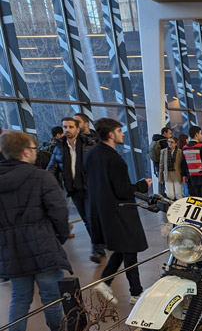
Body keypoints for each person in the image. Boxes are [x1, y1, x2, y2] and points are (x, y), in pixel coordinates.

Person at [0, 130, 71, 331]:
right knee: (52, 298)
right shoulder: (40, 177)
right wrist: (58, 238)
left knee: (19, 299)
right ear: (25, 151)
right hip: (43, 244)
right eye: (33, 147)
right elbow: (59, 213)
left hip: (12, 250)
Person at [84, 118, 151, 306]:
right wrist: (142, 185)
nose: (122, 134)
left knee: (123, 250)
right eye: (120, 130)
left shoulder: (91, 155)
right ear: (111, 134)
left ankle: (105, 282)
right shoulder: (115, 160)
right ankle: (136, 293)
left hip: (103, 211)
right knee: (130, 251)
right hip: (121, 212)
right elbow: (123, 191)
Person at [47, 116, 104, 261]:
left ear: (77, 129)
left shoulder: (88, 144)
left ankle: (97, 250)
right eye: (65, 127)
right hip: (73, 189)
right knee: (86, 220)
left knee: (91, 219)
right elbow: (52, 168)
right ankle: (100, 246)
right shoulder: (59, 147)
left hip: (89, 187)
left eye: (71, 127)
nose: (67, 130)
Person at [181, 125, 202, 199]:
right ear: (196, 135)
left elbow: (184, 164)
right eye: (200, 133)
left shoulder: (185, 148)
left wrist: (184, 175)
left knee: (196, 202)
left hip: (192, 180)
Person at [158, 135, 183, 200]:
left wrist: (183, 175)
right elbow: (161, 165)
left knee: (178, 194)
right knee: (170, 195)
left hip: (177, 174)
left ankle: (179, 208)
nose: (170, 144)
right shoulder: (163, 151)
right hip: (168, 174)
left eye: (172, 142)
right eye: (168, 142)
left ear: (176, 143)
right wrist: (161, 178)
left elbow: (182, 164)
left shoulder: (180, 152)